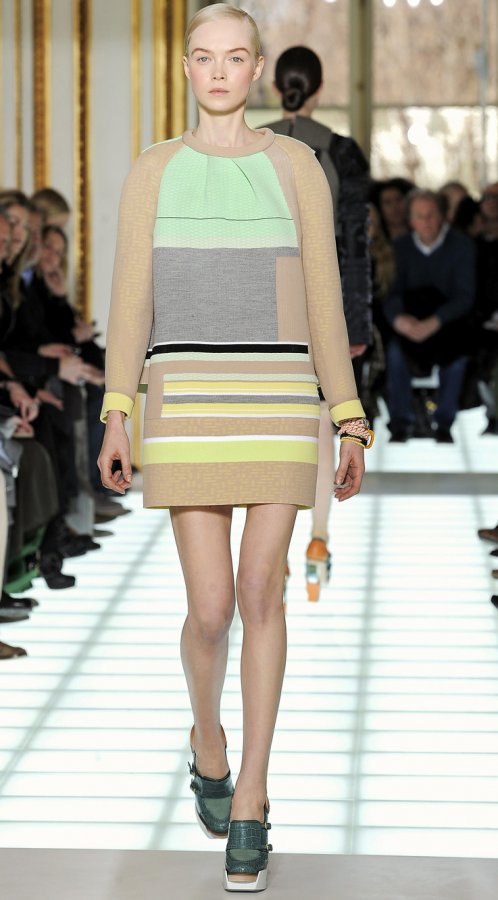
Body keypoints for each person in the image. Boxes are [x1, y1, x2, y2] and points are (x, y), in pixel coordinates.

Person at [98, 4, 370, 892]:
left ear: (256, 70)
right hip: (187, 402)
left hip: (279, 398)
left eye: (235, 57)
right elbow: (131, 300)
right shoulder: (153, 172)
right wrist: (116, 411)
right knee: (210, 608)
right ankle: (207, 739)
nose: (219, 72)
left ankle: (251, 793)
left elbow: (324, 297)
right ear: (187, 68)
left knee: (261, 592)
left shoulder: (298, 168)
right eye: (204, 57)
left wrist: (348, 414)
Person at [265, 45, 372, 600]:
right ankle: (318, 541)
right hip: (324, 294)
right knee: (323, 420)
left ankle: (276, 551)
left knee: (275, 426)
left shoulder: (251, 145)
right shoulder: (342, 152)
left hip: (265, 300)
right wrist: (358, 324)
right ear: (320, 88)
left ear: (273, 86)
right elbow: (356, 246)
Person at [384, 189, 475, 443]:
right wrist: (399, 320)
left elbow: (465, 296)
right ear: (410, 220)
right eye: (419, 216)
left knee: (457, 357)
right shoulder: (399, 248)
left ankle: (444, 423)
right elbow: (389, 293)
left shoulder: (462, 246)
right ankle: (400, 422)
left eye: (431, 215)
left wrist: (435, 321)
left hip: (448, 323)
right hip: (410, 321)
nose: (426, 222)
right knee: (395, 353)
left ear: (442, 216)